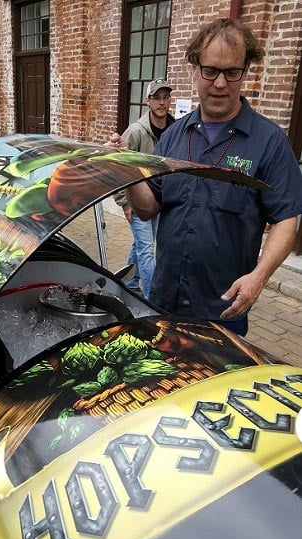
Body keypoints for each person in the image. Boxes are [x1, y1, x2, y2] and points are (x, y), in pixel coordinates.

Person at [113, 18, 302, 336]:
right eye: (210, 70)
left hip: (222, 311)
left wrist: (258, 278)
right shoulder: (173, 135)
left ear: (246, 70)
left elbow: (287, 219)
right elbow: (148, 208)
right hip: (164, 300)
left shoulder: (269, 142)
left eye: (232, 72)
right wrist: (128, 170)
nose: (219, 83)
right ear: (193, 68)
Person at [115, 78, 174, 297]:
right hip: (138, 201)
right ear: (148, 101)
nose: (161, 103)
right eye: (157, 98)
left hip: (160, 200)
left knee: (141, 245)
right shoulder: (136, 131)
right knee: (147, 250)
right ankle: (151, 299)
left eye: (165, 97)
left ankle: (128, 283)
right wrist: (125, 204)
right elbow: (120, 167)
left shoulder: (174, 128)